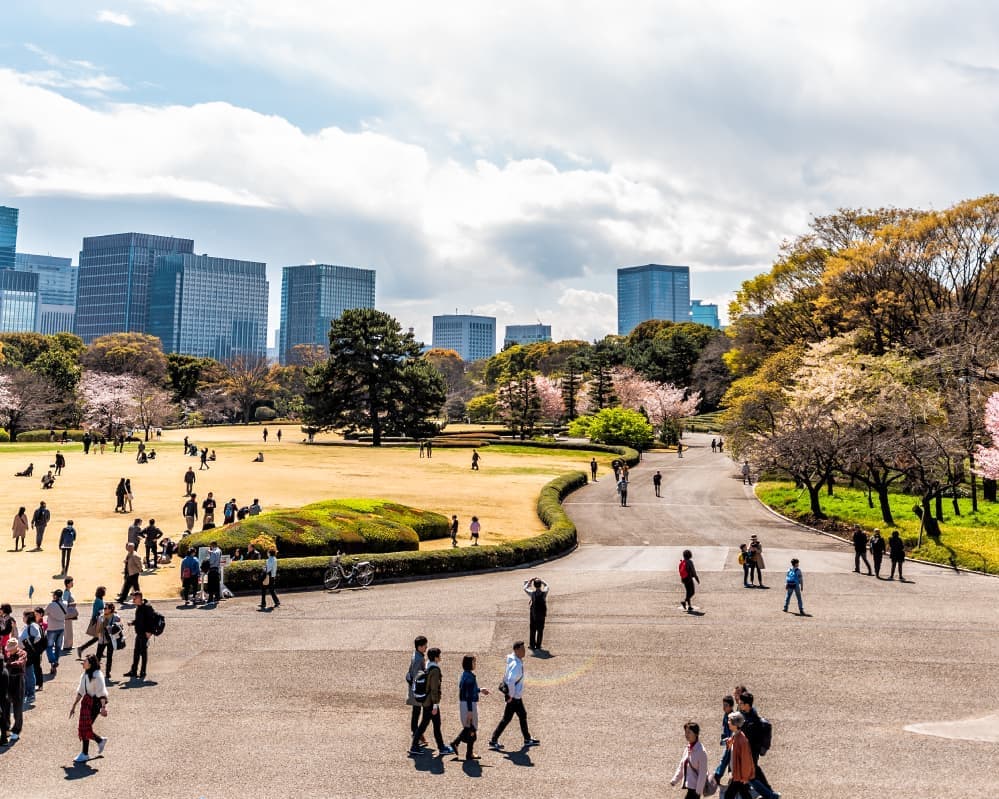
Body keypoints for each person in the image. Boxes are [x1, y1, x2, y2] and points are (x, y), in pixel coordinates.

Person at [489, 641, 538, 750]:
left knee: (519, 716)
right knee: (508, 719)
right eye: (522, 649)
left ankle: (527, 738)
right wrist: (511, 695)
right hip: (514, 697)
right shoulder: (516, 664)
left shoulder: (513, 659)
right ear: (516, 650)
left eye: (524, 649)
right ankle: (494, 739)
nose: (524, 651)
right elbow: (511, 680)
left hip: (515, 697)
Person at [409, 647, 454, 756]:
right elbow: (434, 689)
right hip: (431, 703)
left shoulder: (428, 665)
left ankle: (419, 746)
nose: (440, 657)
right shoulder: (434, 670)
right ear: (435, 657)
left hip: (426, 702)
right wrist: (435, 705)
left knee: (429, 724)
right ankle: (440, 747)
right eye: (439, 655)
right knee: (431, 724)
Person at [738, 692, 779, 799]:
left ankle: (770, 795)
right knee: (754, 773)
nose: (739, 704)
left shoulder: (751, 721)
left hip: (750, 753)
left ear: (747, 705)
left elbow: (749, 739)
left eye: (741, 703)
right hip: (749, 753)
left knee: (751, 776)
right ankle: (769, 792)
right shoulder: (747, 716)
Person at [69, 654, 109, 763]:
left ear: (90, 664)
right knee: (84, 726)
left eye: (85, 661)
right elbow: (81, 691)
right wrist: (74, 706)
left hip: (95, 704)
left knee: (85, 727)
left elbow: (102, 692)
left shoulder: (97, 675)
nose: (83, 662)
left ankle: (85, 753)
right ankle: (100, 741)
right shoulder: (85, 675)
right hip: (86, 703)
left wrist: (103, 707)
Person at [450, 654, 490, 760]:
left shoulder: (465, 675)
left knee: (469, 728)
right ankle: (459, 745)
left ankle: (465, 750)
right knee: (472, 728)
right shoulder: (470, 677)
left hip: (465, 704)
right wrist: (470, 711)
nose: (475, 664)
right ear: (470, 664)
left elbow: (469, 690)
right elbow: (468, 695)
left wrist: (480, 690)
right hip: (469, 704)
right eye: (474, 662)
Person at [670, 721, 708, 798]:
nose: (686, 735)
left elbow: (702, 774)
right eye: (686, 732)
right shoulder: (688, 748)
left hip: (695, 790)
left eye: (689, 732)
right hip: (690, 787)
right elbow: (681, 765)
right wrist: (675, 780)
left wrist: (698, 791)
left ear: (696, 734)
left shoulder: (701, 752)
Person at [123, 592, 154, 680]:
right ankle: (133, 671)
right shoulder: (139, 607)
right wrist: (132, 623)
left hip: (144, 634)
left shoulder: (147, 607)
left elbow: (151, 621)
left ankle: (143, 671)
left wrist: (149, 632)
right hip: (139, 633)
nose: (133, 601)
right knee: (136, 653)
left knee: (143, 653)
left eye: (134, 599)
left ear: (139, 598)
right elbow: (139, 620)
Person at [724, 712, 755, 799]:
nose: (728, 722)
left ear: (735, 723)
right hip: (737, 775)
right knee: (745, 794)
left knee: (728, 796)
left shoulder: (742, 740)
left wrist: (745, 777)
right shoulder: (735, 736)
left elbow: (746, 761)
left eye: (729, 720)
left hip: (739, 776)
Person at [406, 636, 429, 746]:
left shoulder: (417, 655)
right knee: (416, 713)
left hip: (415, 689)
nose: (426, 648)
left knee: (416, 712)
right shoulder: (418, 659)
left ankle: (417, 734)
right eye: (425, 646)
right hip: (417, 691)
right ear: (419, 647)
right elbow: (416, 676)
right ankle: (416, 735)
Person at [3, 638, 26, 743]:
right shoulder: (7, 654)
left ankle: (16, 730)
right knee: (5, 707)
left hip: (18, 681)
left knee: (17, 708)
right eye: (9, 649)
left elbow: (20, 663)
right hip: (7, 680)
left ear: (16, 647)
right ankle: (6, 728)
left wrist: (7, 665)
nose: (9, 651)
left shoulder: (23, 653)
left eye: (11, 649)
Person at [19, 610, 43, 702]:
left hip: (29, 653)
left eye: (24, 616)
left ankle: (31, 695)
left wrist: (27, 643)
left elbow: (38, 637)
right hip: (24, 653)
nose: (22, 618)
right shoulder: (28, 626)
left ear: (28, 617)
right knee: (26, 674)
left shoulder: (33, 626)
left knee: (29, 674)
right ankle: (27, 693)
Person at [95, 603, 123, 681]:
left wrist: (112, 628)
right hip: (102, 639)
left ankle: (108, 672)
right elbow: (97, 629)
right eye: (104, 608)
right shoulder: (101, 617)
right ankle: (95, 672)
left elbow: (121, 627)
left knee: (109, 656)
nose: (104, 609)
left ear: (110, 609)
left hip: (111, 639)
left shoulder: (116, 617)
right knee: (98, 656)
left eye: (106, 608)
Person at [76, 587, 107, 657]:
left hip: (100, 620)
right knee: (99, 638)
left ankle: (83, 648)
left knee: (99, 638)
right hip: (98, 621)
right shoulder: (98, 601)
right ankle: (82, 648)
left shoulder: (100, 600)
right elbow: (95, 612)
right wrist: (94, 620)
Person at [712, 695, 735, 784]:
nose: (723, 707)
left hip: (731, 742)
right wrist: (723, 738)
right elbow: (724, 729)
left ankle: (717, 776)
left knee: (725, 759)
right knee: (727, 759)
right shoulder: (725, 715)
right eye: (723, 705)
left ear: (731, 706)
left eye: (726, 705)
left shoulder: (732, 717)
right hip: (727, 742)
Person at [44, 589, 68, 674]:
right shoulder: (65, 603)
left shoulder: (51, 605)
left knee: (49, 647)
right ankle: (55, 663)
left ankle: (53, 662)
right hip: (61, 628)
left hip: (51, 629)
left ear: (55, 596)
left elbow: (44, 613)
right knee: (58, 647)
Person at [524, 578, 549, 649]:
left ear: (534, 585)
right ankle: (538, 645)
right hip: (542, 613)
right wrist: (542, 580)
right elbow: (547, 585)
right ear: (540, 585)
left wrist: (529, 581)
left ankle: (532, 645)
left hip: (533, 612)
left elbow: (525, 588)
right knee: (540, 630)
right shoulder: (544, 593)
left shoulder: (532, 593)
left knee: (532, 628)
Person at [63, 576, 78, 650]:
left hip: (69, 613)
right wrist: (71, 604)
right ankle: (66, 645)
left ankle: (69, 645)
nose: (73, 583)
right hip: (67, 613)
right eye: (71, 582)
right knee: (67, 630)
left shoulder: (68, 591)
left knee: (69, 630)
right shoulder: (66, 592)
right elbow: (64, 603)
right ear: (68, 584)